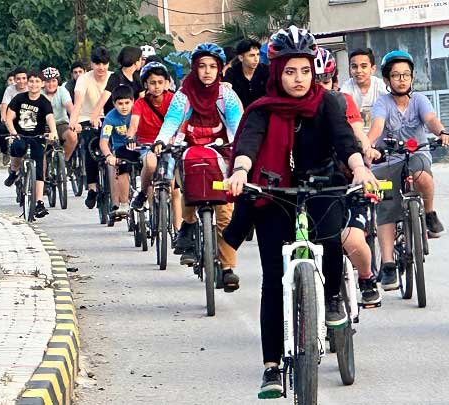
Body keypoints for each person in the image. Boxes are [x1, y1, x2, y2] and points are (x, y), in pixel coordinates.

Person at [224, 26, 378, 398]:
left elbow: (345, 141)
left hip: (322, 185)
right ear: (277, 72)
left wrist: (359, 168)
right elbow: (248, 143)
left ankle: (331, 299)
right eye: (290, 71)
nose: (298, 79)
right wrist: (241, 171)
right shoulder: (262, 108)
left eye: (305, 71)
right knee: (273, 278)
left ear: (314, 72)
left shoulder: (327, 104)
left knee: (330, 240)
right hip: (274, 192)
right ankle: (272, 366)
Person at [155, 42, 242, 290]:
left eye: (212, 66)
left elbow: (238, 125)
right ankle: (189, 228)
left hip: (220, 157)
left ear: (220, 69)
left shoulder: (227, 96)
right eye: (202, 66)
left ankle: (227, 269)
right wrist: (162, 141)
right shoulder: (183, 95)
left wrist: (240, 148)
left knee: (225, 211)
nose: (207, 71)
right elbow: (171, 121)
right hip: (189, 152)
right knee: (188, 188)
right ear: (194, 68)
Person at [367, 50, 449, 291]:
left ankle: (429, 214)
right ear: (386, 80)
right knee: (385, 207)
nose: (402, 79)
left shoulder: (419, 100)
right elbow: (377, 125)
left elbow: (431, 119)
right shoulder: (382, 103)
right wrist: (368, 144)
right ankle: (387, 266)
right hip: (386, 160)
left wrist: (442, 133)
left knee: (423, 177)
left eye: (406, 75)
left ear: (412, 78)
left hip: (417, 154)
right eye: (396, 75)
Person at [315, 46, 382, 306]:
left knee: (352, 240)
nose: (320, 86)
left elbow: (355, 131)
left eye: (324, 80)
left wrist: (365, 152)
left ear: (333, 80)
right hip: (310, 188)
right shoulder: (292, 107)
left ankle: (366, 277)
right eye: (315, 78)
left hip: (346, 182)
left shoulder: (343, 101)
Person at [127, 61, 179, 233]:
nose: (156, 87)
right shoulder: (140, 104)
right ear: (145, 85)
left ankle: (178, 229)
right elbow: (134, 124)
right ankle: (142, 194)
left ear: (166, 83)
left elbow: (181, 122)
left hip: (170, 146)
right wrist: (130, 137)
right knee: (150, 164)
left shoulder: (174, 100)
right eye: (152, 83)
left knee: (173, 185)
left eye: (160, 82)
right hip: (147, 145)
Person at [3, 70, 58, 219]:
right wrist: (13, 132)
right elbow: (9, 117)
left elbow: (50, 118)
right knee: (17, 148)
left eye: (37, 82)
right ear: (28, 83)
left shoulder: (44, 102)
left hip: (37, 137)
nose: (34, 84)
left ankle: (39, 202)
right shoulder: (19, 98)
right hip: (20, 135)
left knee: (39, 166)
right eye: (31, 81)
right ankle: (14, 171)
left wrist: (53, 132)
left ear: (42, 84)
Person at [69, 46, 113, 210]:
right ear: (92, 65)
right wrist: (73, 122)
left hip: (109, 119)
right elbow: (78, 102)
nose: (101, 68)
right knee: (91, 147)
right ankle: (92, 188)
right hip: (87, 118)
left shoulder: (113, 77)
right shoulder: (84, 79)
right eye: (97, 64)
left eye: (104, 64)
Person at [99, 85, 136, 217]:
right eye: (120, 104)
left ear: (133, 101)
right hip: (121, 149)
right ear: (114, 104)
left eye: (127, 103)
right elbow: (103, 141)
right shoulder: (110, 118)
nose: (124, 107)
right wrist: (109, 155)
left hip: (139, 146)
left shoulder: (137, 113)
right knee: (122, 168)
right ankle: (123, 203)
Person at [90, 46, 144, 126]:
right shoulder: (116, 77)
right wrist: (94, 116)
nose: (142, 62)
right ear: (135, 62)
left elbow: (142, 97)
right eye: (140, 59)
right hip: (115, 117)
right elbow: (104, 98)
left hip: (131, 116)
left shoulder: (136, 76)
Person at [340, 48, 388, 127]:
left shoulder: (382, 87)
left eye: (364, 66)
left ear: (373, 69)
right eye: (354, 67)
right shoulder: (346, 89)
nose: (358, 70)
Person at [42, 67, 77, 161]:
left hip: (61, 124)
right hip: (43, 126)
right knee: (40, 150)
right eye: (48, 81)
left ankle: (65, 161)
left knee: (73, 135)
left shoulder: (62, 91)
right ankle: (42, 175)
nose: (51, 84)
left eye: (53, 81)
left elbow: (70, 107)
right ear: (43, 83)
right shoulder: (39, 93)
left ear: (58, 81)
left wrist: (75, 122)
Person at [224, 38, 269, 108]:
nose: (256, 59)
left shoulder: (265, 70)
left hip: (263, 113)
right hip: (240, 114)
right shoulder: (232, 72)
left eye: (258, 54)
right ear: (241, 58)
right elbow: (225, 88)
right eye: (252, 55)